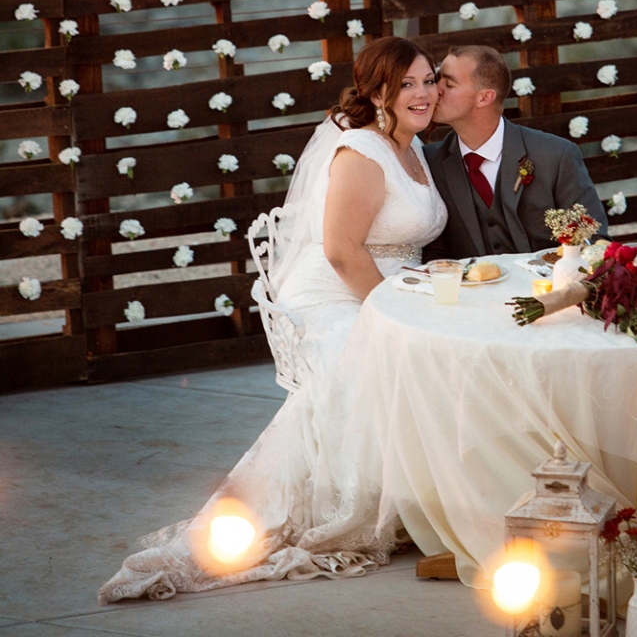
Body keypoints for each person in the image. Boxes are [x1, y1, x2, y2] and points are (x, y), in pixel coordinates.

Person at [98, 37, 447, 603]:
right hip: (335, 292)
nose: (423, 93)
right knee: (366, 364)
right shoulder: (361, 151)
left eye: (429, 80)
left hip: (386, 286)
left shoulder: (412, 147)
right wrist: (393, 311)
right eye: (406, 84)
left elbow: (400, 243)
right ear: (378, 91)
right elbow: (340, 251)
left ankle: (423, 505)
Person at [423, 44, 608, 261]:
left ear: (484, 97)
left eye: (449, 83)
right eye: (437, 80)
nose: (436, 90)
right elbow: (434, 252)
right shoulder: (431, 161)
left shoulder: (555, 156)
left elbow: (593, 242)